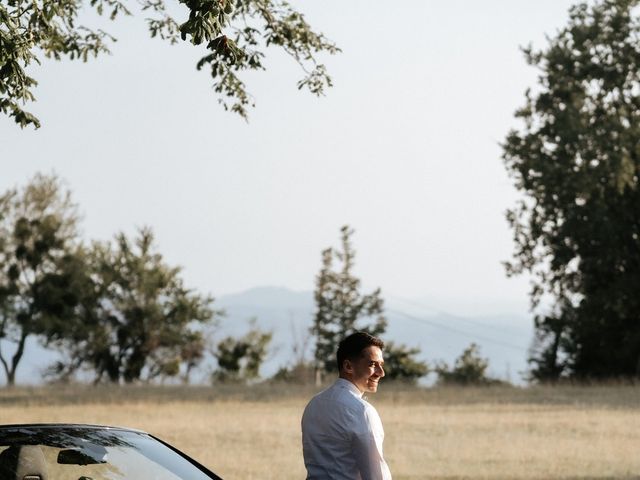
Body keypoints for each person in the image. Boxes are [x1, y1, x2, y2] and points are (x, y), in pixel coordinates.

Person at [301, 331, 392, 480]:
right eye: (373, 364)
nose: (381, 373)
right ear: (348, 366)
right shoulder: (362, 411)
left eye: (381, 365)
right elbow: (376, 475)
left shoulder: (313, 405)